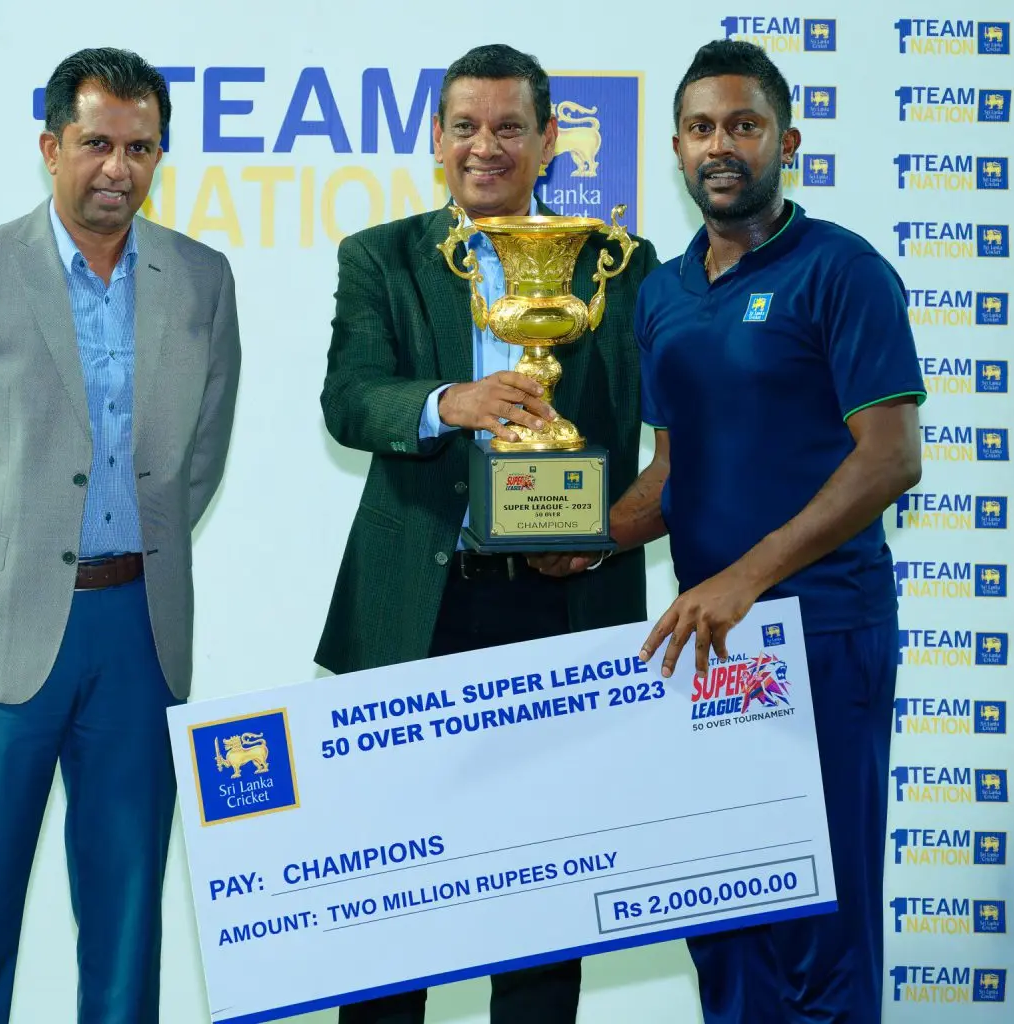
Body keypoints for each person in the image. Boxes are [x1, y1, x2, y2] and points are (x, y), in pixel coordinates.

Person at [546, 39, 924, 1023]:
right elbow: (672, 473)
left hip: (822, 634)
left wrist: (744, 577)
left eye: (744, 125)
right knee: (726, 926)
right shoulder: (663, 293)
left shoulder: (842, 269)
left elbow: (889, 458)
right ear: (676, 149)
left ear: (785, 143)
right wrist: (588, 534)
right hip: (709, 652)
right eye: (702, 128)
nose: (722, 145)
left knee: (823, 929)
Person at [0, 47, 241, 1023]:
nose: (117, 168)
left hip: (140, 635)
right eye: (95, 144)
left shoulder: (201, 280)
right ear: (51, 147)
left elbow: (197, 460)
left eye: (140, 148)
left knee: (125, 926)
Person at [315, 42, 657, 1024]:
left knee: (545, 901)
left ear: (548, 141)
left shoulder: (618, 264)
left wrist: (602, 533)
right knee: (390, 899)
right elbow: (349, 399)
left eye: (510, 127)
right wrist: (447, 402)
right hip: (415, 608)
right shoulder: (380, 256)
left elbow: (667, 427)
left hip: (565, 599)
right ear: (435, 139)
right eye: (464, 126)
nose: (485, 146)